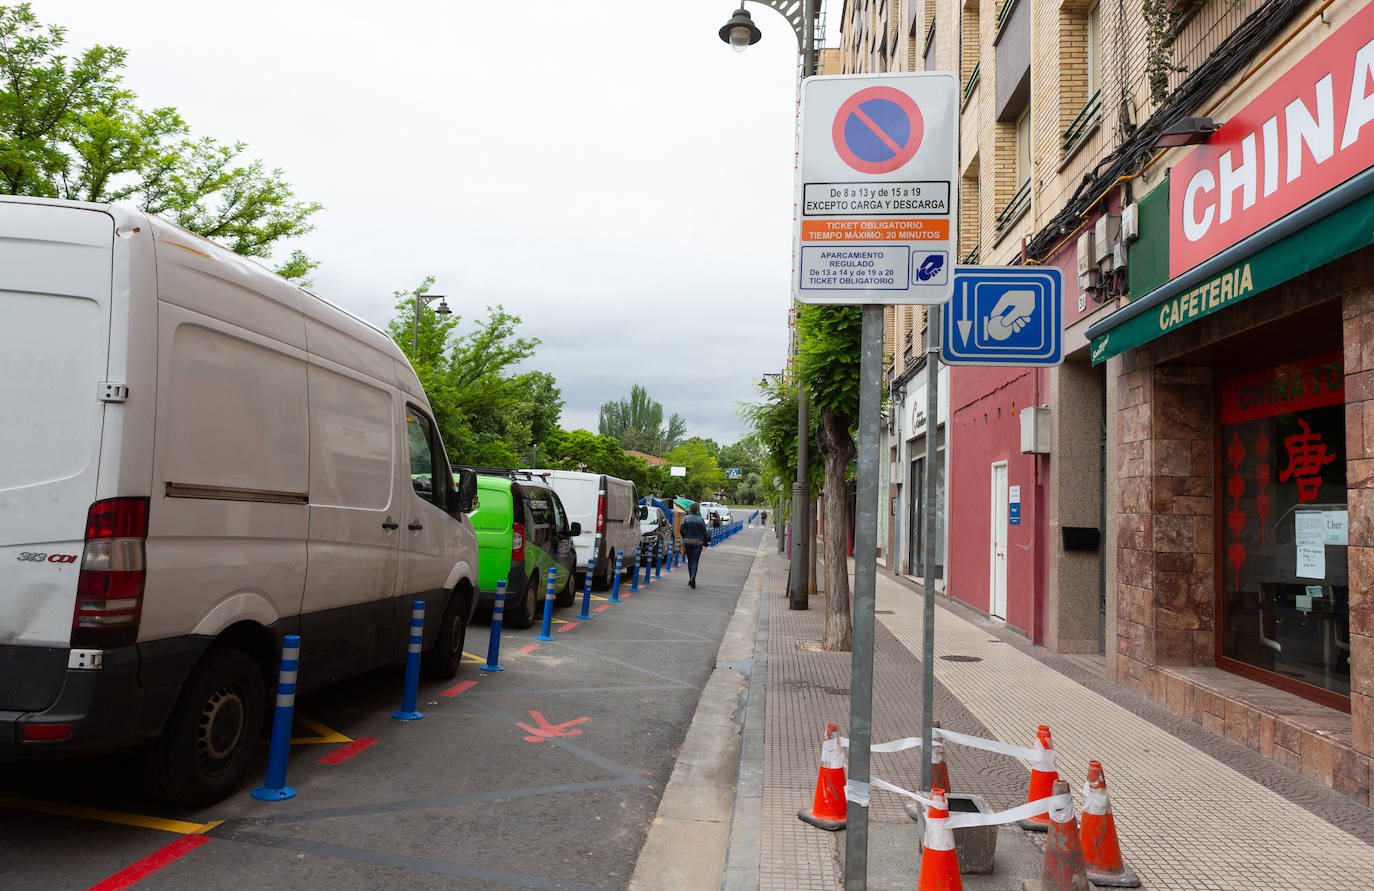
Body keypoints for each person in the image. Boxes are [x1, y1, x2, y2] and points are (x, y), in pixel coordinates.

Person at [680, 502, 709, 589]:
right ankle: (693, 576)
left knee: (690, 560)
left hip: (688, 542)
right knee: (695, 561)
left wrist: (685, 537)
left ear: (690, 509)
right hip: (698, 543)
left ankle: (691, 578)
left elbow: (681, 529)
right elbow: (704, 532)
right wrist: (705, 542)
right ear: (697, 510)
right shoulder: (700, 519)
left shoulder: (685, 518)